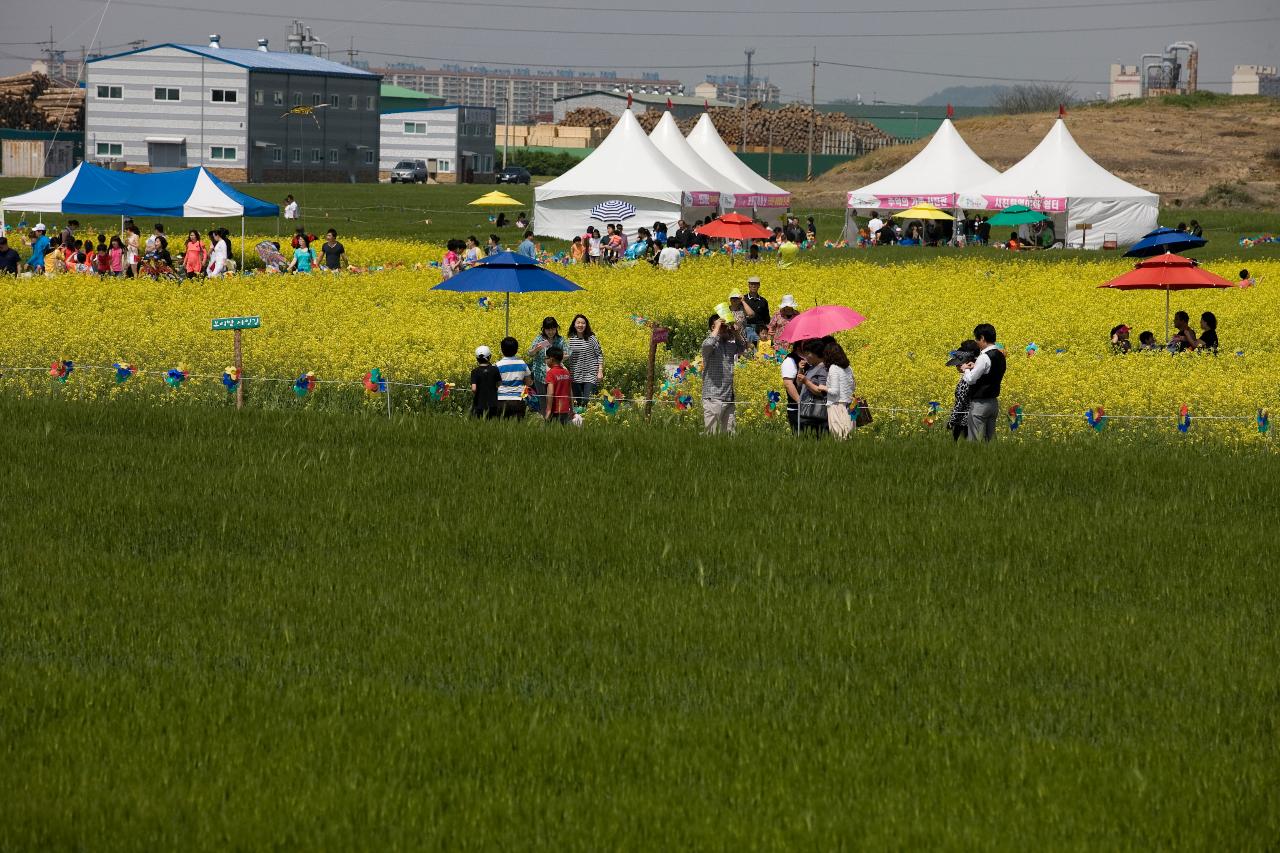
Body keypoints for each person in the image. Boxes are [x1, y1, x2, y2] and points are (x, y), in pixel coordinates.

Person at [701, 313, 745, 435]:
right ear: (712, 328)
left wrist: (735, 332)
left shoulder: (729, 345)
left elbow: (742, 348)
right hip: (713, 396)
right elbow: (707, 344)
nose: (725, 329)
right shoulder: (710, 345)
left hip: (729, 397)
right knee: (711, 434)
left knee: (730, 435)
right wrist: (717, 327)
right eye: (722, 326)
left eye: (725, 327)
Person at [962, 323, 1005, 442]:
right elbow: (990, 371)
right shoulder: (1000, 355)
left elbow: (970, 380)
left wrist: (966, 369)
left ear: (982, 338)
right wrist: (975, 366)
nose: (976, 342)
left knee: (975, 441)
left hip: (980, 404)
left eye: (977, 339)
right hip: (993, 404)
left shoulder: (984, 357)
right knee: (990, 441)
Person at [564, 314, 604, 408]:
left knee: (587, 400)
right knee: (577, 401)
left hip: (590, 374)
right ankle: (579, 420)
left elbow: (599, 354)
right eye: (578, 323)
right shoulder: (570, 339)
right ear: (574, 325)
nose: (580, 325)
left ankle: (589, 418)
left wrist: (600, 371)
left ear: (586, 325)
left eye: (583, 323)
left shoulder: (591, 338)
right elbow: (566, 355)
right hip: (575, 374)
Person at [945, 340, 981, 441]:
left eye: (957, 364)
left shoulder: (967, 379)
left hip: (963, 423)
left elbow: (960, 403)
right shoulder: (976, 375)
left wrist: (951, 421)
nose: (956, 366)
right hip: (974, 420)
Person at [820, 339, 855, 439]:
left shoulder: (833, 368)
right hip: (849, 407)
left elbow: (835, 391)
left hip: (837, 407)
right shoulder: (849, 368)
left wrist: (823, 387)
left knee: (839, 439)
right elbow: (853, 387)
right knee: (849, 438)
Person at [527, 316, 567, 405]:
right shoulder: (539, 339)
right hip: (540, 374)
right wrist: (535, 350)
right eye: (548, 329)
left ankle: (554, 418)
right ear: (544, 329)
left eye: (553, 329)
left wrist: (558, 357)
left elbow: (568, 354)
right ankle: (545, 417)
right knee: (543, 400)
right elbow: (529, 353)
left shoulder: (560, 340)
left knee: (554, 399)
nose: (551, 332)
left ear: (556, 328)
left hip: (556, 375)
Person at [796, 339, 829, 437]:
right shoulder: (811, 367)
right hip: (805, 411)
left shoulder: (824, 369)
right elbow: (799, 384)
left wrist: (806, 381)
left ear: (815, 353)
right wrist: (800, 370)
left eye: (807, 354)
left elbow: (822, 392)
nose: (805, 357)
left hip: (815, 413)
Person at [495, 336, 532, 419]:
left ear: (502, 349)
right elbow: (528, 383)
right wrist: (524, 396)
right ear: (516, 350)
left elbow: (496, 384)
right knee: (517, 429)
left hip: (501, 400)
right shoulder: (522, 364)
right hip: (518, 400)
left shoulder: (497, 365)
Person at [543, 347, 573, 425]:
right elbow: (570, 392)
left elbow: (551, 393)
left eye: (547, 358)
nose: (545, 360)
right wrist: (572, 409)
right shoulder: (566, 372)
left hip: (555, 409)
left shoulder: (551, 373)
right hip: (565, 409)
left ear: (552, 359)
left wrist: (549, 410)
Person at [469, 345, 500, 419]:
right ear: (490, 357)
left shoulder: (474, 371)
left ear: (477, 358)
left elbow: (474, 389)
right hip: (493, 403)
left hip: (479, 403)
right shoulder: (495, 369)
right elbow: (499, 384)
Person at [780, 344, 803, 433]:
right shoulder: (790, 360)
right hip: (796, 408)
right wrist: (800, 402)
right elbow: (788, 384)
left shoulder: (810, 359)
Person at [743, 276, 770, 340]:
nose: (753, 286)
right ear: (748, 285)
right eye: (751, 284)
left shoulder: (763, 301)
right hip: (746, 328)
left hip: (759, 331)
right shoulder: (743, 299)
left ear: (759, 285)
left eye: (756, 284)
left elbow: (766, 319)